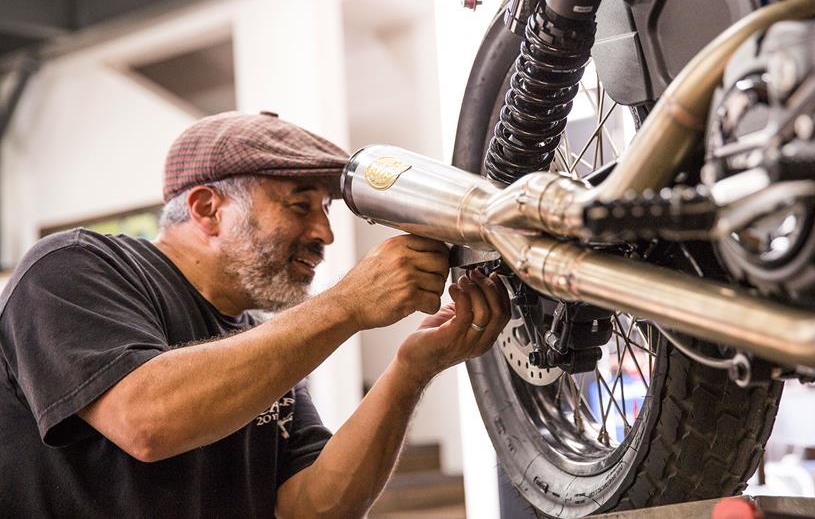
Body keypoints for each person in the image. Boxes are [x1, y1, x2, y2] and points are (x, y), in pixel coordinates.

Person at [0, 111, 510, 518]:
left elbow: (312, 508)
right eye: (299, 205)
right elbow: (146, 422)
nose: (325, 234)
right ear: (206, 209)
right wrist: (348, 303)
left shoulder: (255, 341)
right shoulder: (72, 267)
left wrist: (410, 371)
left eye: (326, 210)